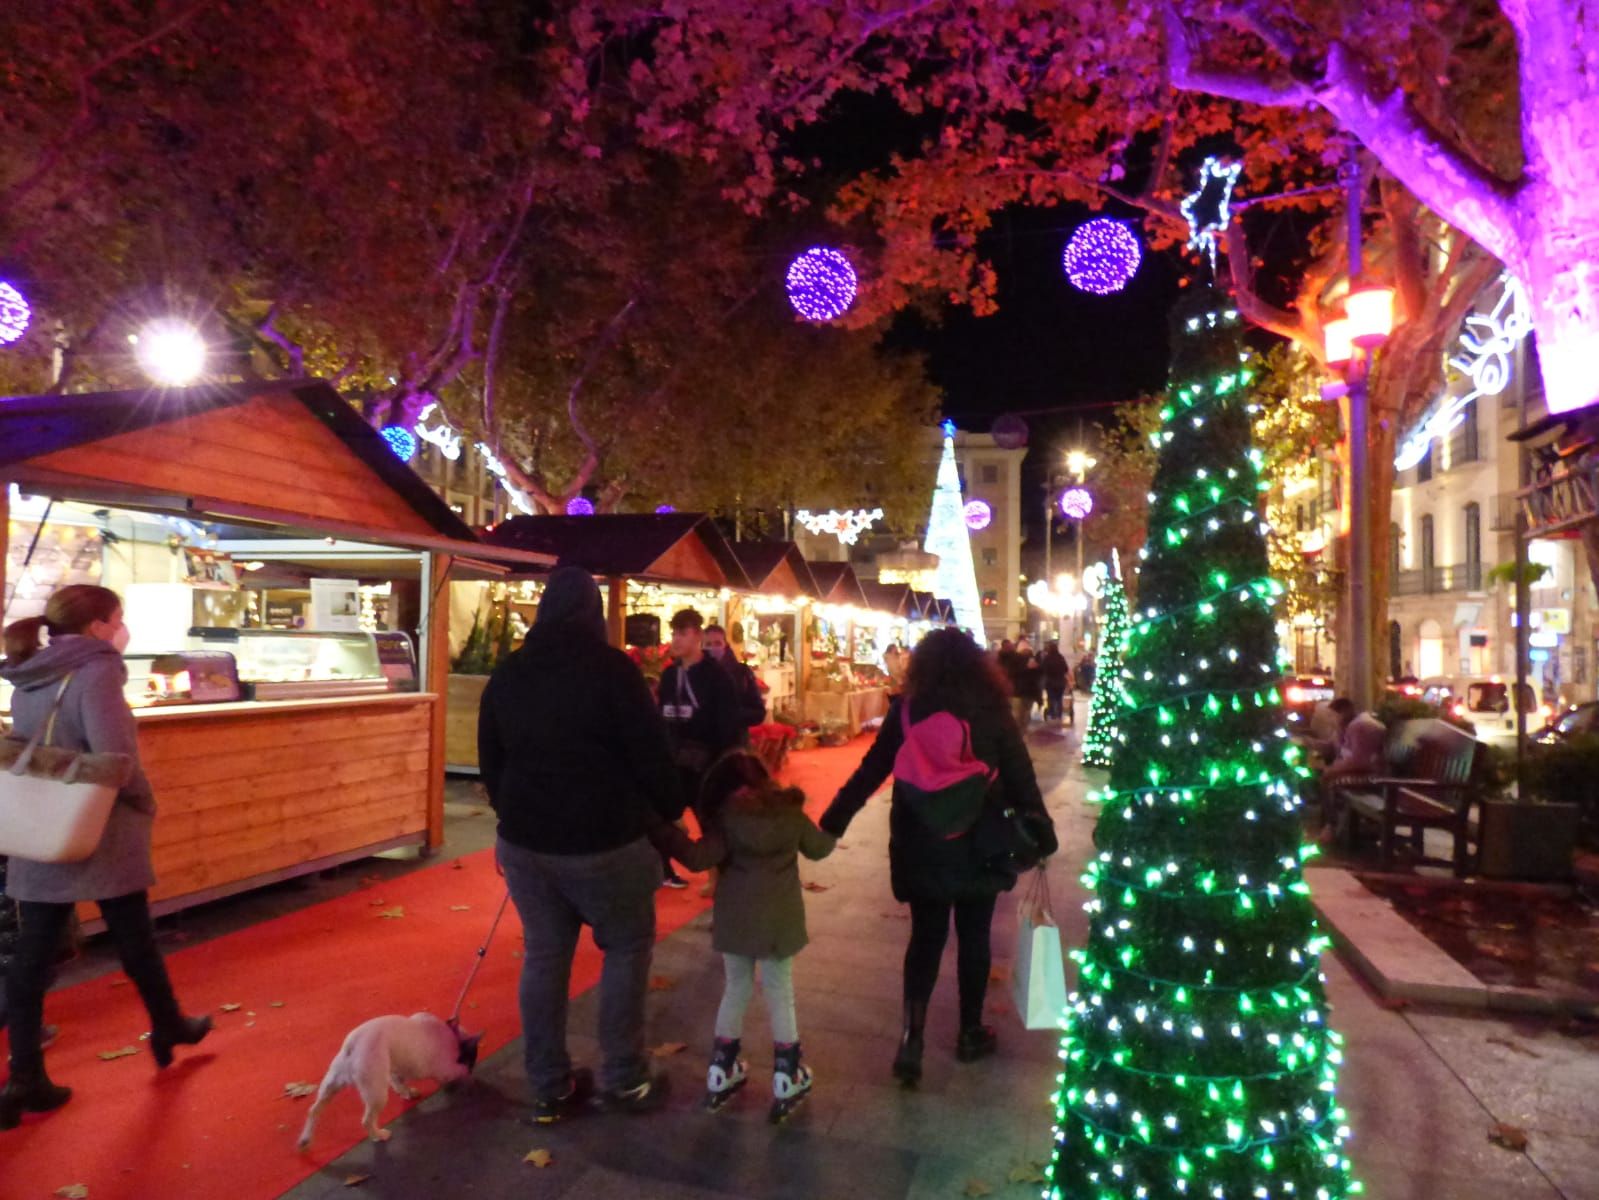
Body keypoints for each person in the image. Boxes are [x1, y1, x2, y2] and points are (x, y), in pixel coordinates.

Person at [1, 585, 213, 1131]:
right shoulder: (96, 671)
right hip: (98, 825)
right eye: (118, 618)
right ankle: (169, 1026)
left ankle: (24, 1075)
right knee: (133, 936)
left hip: (41, 825)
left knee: (33, 955)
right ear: (98, 625)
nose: (122, 628)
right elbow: (114, 755)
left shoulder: (30, 672)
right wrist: (144, 798)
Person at [478, 566, 683, 1121]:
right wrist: (669, 812)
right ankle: (625, 1076)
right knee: (626, 945)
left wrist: (511, 816)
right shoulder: (613, 672)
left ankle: (548, 1082)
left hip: (527, 842)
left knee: (545, 956)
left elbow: (491, 758)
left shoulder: (511, 672)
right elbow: (650, 755)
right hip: (603, 838)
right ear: (592, 613)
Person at [820, 628, 1057, 1085]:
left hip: (921, 843)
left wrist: (833, 822)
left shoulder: (907, 711)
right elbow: (1021, 776)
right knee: (975, 936)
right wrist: (1042, 835)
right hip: (980, 845)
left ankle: (912, 1038)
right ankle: (970, 1032)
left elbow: (871, 771)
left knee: (925, 940)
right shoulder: (992, 712)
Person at [662, 752, 835, 1119]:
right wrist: (840, 816)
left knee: (736, 987)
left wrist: (658, 828)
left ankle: (721, 1069)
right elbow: (820, 849)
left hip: (735, 920)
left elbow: (696, 858)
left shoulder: (725, 820)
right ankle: (787, 1073)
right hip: (779, 921)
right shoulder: (788, 813)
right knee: (779, 991)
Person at [656, 609, 744, 888]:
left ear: (697, 636)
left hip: (707, 764)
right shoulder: (669, 676)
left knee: (711, 824)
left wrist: (724, 766)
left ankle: (718, 879)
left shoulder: (717, 678)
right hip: (674, 762)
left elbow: (728, 725)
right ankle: (665, 870)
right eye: (674, 633)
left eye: (683, 633)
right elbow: (663, 717)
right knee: (662, 817)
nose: (676, 640)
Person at [1316, 698, 1387, 840]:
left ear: (1344, 712)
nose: (1332, 719)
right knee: (1327, 776)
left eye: (1334, 715)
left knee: (1328, 779)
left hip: (1371, 775)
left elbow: (1359, 761)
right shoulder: (1351, 726)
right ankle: (1333, 825)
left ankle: (1332, 826)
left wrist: (1334, 769)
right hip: (1366, 771)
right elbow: (1337, 749)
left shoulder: (1360, 727)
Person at [703, 623, 766, 730]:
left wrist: (731, 714)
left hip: (734, 739)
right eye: (708, 644)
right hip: (701, 741)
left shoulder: (741, 673)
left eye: (717, 643)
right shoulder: (693, 673)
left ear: (725, 646)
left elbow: (758, 712)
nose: (713, 648)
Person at [1039, 641, 1071, 725]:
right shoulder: (1061, 657)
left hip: (1050, 682)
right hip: (1060, 682)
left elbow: (1042, 669)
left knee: (1051, 698)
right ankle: (1059, 714)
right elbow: (1066, 669)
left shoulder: (1047, 658)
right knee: (1059, 698)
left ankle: (1052, 714)